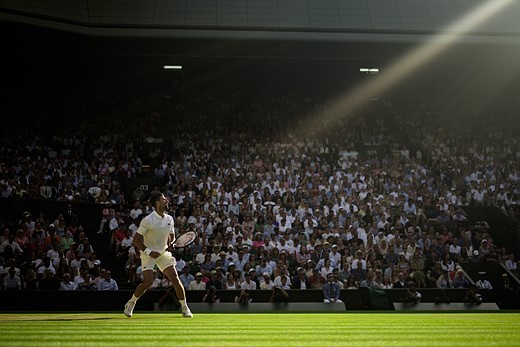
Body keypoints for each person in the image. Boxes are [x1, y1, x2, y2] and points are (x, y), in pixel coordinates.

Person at [123, 192, 192, 318]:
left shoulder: (170, 219)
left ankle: (185, 307)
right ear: (157, 203)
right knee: (148, 282)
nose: (167, 201)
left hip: (164, 253)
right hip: (148, 254)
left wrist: (171, 243)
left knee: (175, 279)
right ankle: (131, 303)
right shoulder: (148, 220)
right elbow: (136, 240)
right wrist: (150, 252)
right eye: (164, 199)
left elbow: (171, 236)